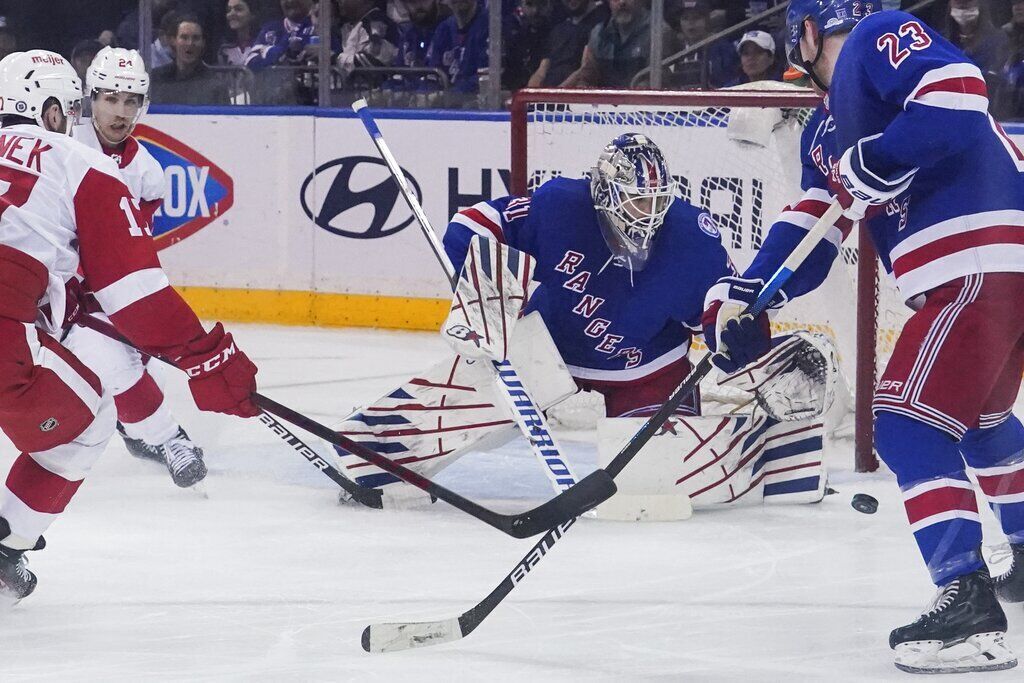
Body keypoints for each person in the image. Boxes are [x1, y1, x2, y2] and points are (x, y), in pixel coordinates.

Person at [704, 0, 1024, 674]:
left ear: (808, 34)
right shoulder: (822, 129)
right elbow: (817, 226)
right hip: (987, 269)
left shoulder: (878, 37)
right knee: (982, 419)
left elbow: (960, 91)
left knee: (905, 420)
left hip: (976, 256)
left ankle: (966, 601)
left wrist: (879, 154)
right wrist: (752, 292)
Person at [0, 50, 259, 601]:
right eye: (70, 108)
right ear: (48, 110)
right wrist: (208, 357)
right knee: (89, 414)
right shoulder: (75, 160)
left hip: (39, 310)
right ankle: (6, 548)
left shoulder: (136, 168)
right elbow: (133, 290)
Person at [443, 133, 731, 421]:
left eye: (658, 201)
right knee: (471, 414)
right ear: (606, 193)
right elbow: (472, 224)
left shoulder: (692, 237)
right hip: (549, 347)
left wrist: (732, 333)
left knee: (662, 460)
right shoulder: (561, 208)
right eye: (639, 200)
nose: (651, 214)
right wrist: (482, 298)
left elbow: (725, 308)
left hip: (649, 367)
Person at [62, 47, 209, 489]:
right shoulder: (63, 143)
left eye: (130, 101)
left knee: (138, 359)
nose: (120, 112)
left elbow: (126, 250)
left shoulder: (147, 173)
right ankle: (168, 438)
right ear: (90, 99)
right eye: (110, 99)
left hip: (97, 289)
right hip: (50, 286)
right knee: (116, 365)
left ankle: (141, 429)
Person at [562, 0, 673, 88]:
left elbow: (659, 80)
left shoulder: (659, 32)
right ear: (609, 3)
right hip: (602, 110)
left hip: (643, 111)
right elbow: (587, 77)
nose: (622, 2)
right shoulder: (598, 33)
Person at [526, 0, 608, 88]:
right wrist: (530, 92)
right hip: (548, 95)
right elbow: (542, 70)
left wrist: (556, 93)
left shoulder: (600, 27)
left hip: (573, 96)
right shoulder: (558, 29)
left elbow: (585, 70)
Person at [151, 16, 231, 105]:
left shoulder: (216, 85)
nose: (190, 43)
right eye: (184, 37)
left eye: (196, 38)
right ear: (173, 41)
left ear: (203, 43)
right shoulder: (156, 79)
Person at [666, 0, 738, 89]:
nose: (690, 23)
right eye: (685, 18)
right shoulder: (675, 49)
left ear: (707, 20)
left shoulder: (723, 48)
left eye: (696, 18)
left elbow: (730, 82)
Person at [427, 0, 494, 94]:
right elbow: (431, 76)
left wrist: (449, 95)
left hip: (474, 105)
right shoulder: (443, 29)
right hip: (444, 104)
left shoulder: (490, 26)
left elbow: (483, 80)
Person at [335, 0, 401, 82]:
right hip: (358, 91)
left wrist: (332, 59)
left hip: (376, 91)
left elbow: (374, 65)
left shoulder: (377, 21)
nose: (340, 1)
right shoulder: (350, 24)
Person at [942, 0, 1009, 78]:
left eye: (968, 1)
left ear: (979, 3)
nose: (962, 4)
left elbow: (1000, 73)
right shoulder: (942, 41)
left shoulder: (998, 39)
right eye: (958, 1)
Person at [246, 0, 318, 70]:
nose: (290, 1)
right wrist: (285, 51)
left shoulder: (320, 27)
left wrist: (267, 51)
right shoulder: (271, 28)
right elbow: (250, 62)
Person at [506, 0, 554, 90]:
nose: (535, 10)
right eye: (529, 4)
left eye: (541, 4)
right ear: (520, 4)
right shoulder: (510, 32)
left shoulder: (556, 33)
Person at [219, 0, 264, 65]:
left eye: (238, 9)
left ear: (253, 14)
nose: (231, 14)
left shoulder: (263, 43)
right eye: (228, 10)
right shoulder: (224, 47)